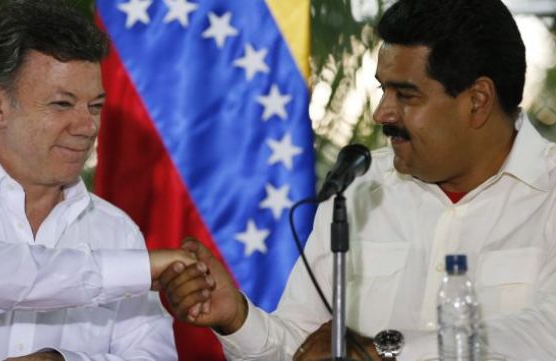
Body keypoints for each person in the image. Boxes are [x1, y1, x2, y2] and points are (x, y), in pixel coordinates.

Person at [159, 0, 556, 359]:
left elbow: (545, 333)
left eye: (406, 95)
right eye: (384, 90)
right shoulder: (360, 188)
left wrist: (382, 351)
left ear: (477, 101)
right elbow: (304, 346)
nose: (381, 114)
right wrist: (238, 318)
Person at [0, 0, 197, 359]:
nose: (88, 127)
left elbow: (154, 355)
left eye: (95, 106)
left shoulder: (116, 230)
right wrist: (138, 269)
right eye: (62, 104)